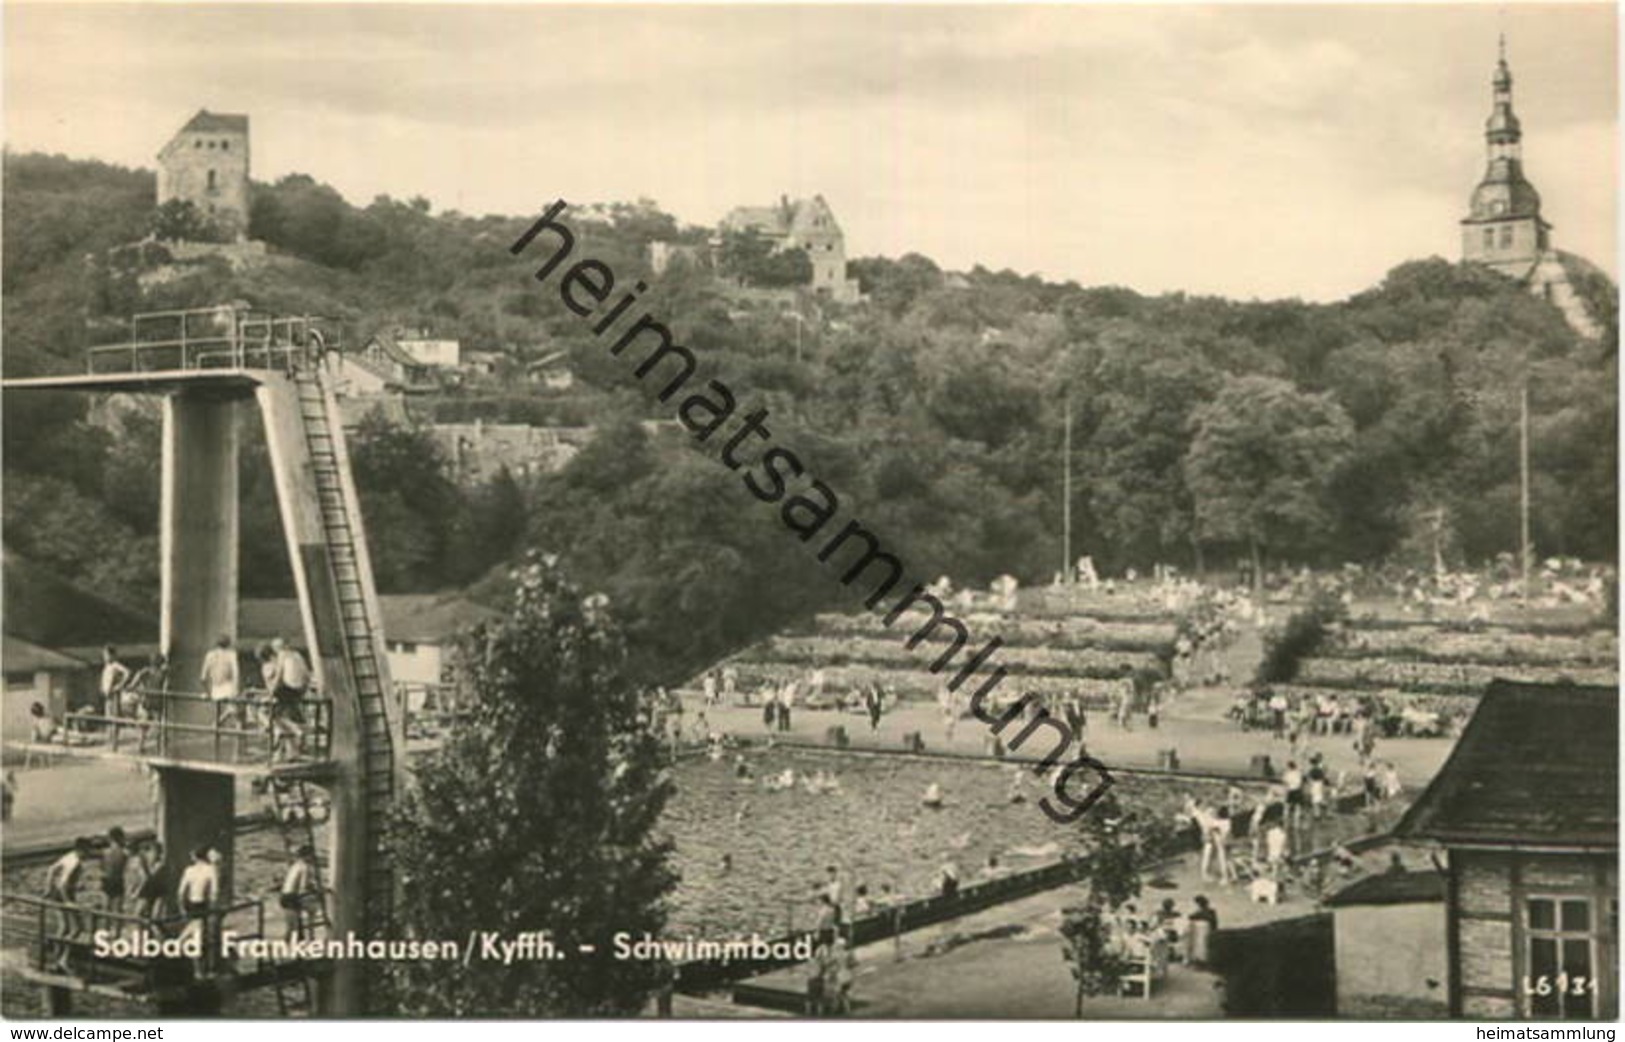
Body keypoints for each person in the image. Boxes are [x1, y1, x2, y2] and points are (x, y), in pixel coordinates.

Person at [44, 838, 92, 958]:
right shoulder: (75, 862)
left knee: (64, 925)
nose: (88, 854)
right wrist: (67, 902)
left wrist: (48, 888)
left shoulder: (69, 856)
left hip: (57, 893)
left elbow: (51, 869)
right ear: (82, 850)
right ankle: (63, 958)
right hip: (63, 895)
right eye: (87, 851)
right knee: (76, 928)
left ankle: (56, 955)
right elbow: (63, 884)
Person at [178, 847, 219, 978]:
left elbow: (180, 893)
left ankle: (198, 969)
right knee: (199, 937)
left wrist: (182, 909)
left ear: (195, 857)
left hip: (191, 905)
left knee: (196, 935)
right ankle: (200, 971)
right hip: (203, 905)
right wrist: (213, 907)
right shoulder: (210, 869)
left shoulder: (189, 870)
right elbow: (214, 892)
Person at [281, 845, 317, 941]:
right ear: (308, 855)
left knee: (292, 928)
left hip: (284, 896)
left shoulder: (295, 865)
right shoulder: (306, 867)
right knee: (313, 909)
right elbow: (304, 886)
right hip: (292, 897)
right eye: (311, 855)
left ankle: (291, 946)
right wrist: (315, 890)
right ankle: (311, 936)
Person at [200, 635, 239, 717]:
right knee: (237, 713)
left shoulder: (209, 655)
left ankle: (216, 724)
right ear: (229, 645)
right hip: (229, 689)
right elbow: (236, 674)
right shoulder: (231, 655)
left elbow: (202, 678)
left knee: (218, 714)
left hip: (215, 690)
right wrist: (235, 691)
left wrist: (207, 693)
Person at [133, 840, 169, 922]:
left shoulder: (160, 865)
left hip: (158, 891)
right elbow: (143, 879)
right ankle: (141, 933)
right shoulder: (145, 865)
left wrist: (137, 891)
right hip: (148, 891)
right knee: (139, 914)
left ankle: (157, 933)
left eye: (153, 852)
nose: (151, 855)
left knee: (154, 917)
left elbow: (148, 878)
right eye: (149, 852)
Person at [101, 826, 131, 916]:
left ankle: (106, 929)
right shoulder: (125, 852)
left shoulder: (106, 852)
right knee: (117, 910)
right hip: (118, 880)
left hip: (107, 879)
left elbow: (103, 867)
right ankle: (116, 930)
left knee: (106, 908)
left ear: (111, 838)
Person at [99, 647, 131, 720]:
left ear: (112, 655)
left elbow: (127, 672)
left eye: (106, 655)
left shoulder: (115, 665)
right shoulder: (106, 667)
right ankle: (109, 731)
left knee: (114, 716)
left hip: (113, 695)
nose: (105, 657)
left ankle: (114, 730)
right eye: (104, 655)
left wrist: (120, 685)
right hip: (107, 695)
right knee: (108, 717)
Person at [1186, 895, 1218, 967]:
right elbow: (1214, 923)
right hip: (1208, 930)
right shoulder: (1211, 911)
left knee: (1200, 944)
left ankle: (1199, 961)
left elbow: (1190, 917)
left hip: (1202, 932)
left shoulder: (1200, 913)